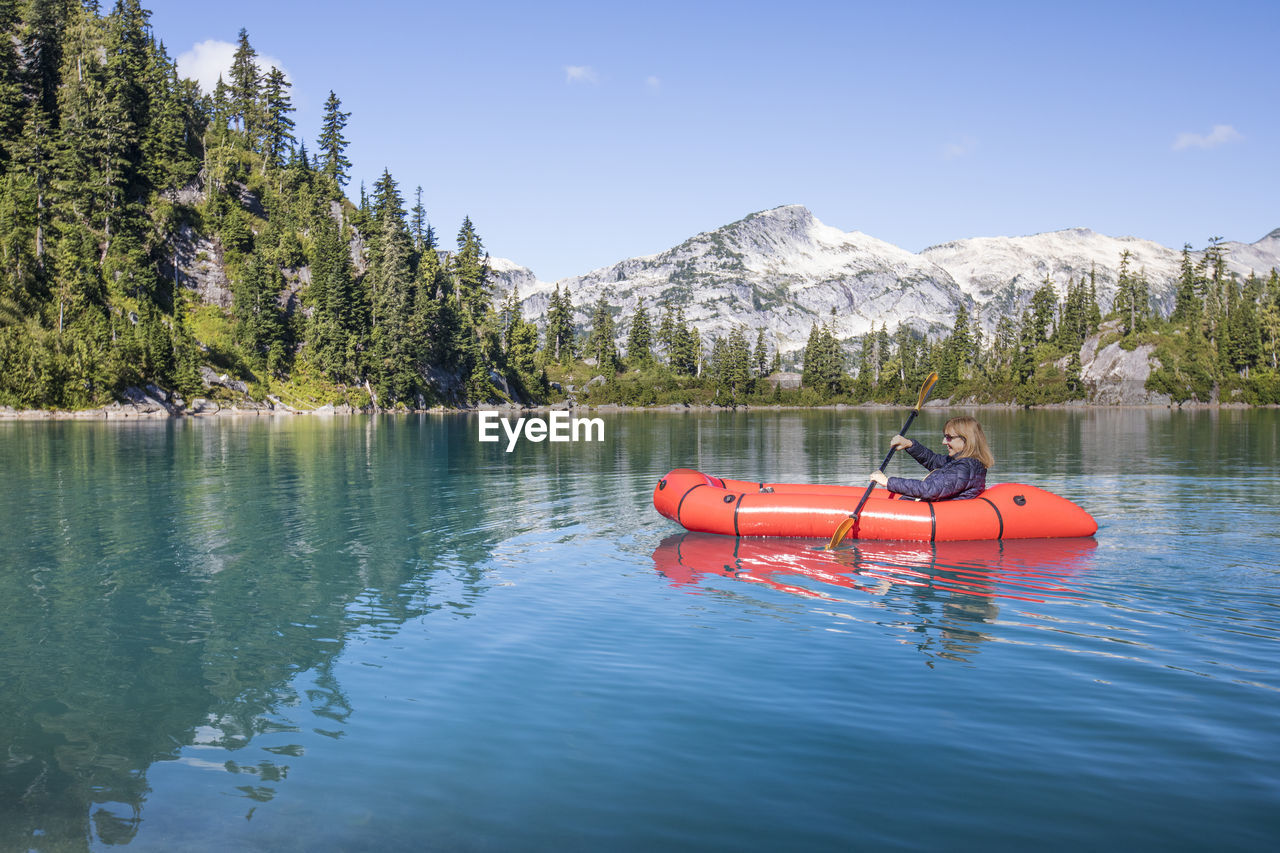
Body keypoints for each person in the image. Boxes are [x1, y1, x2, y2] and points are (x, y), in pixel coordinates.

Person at [868, 416, 993, 500]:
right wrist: (910, 445)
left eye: (949, 437)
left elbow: (930, 489)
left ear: (966, 440)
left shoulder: (965, 469)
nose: (944, 442)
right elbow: (934, 461)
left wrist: (888, 482)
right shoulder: (961, 462)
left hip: (941, 517)